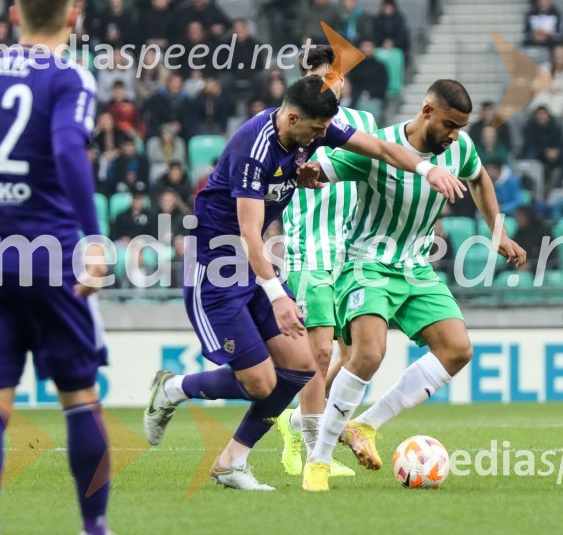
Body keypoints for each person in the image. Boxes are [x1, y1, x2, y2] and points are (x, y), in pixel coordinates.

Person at [142, 76, 465, 491]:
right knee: (260, 383)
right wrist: (278, 296)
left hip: (255, 268)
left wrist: (427, 168)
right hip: (216, 269)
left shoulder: (314, 125)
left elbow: (381, 148)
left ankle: (231, 463)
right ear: (293, 116)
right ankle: (171, 390)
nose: (319, 138)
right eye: (314, 131)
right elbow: (250, 234)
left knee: (298, 368)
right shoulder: (252, 149)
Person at [300, 79, 527, 491]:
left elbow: (479, 180)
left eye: (461, 127)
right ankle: (318, 460)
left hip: (416, 267)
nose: (455, 135)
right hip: (365, 263)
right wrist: (308, 171)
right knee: (369, 353)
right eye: (449, 124)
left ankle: (365, 425)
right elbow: (321, 172)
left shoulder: (459, 148)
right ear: (426, 112)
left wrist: (499, 233)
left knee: (458, 350)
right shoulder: (377, 148)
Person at [0, 0, 112, 534]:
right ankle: (94, 527)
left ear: (13, 15)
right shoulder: (69, 76)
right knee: (79, 396)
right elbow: (67, 147)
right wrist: (93, 238)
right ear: (73, 15)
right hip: (45, 255)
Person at [275, 45, 376, 479]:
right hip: (307, 247)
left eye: (336, 76)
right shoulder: (294, 122)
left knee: (357, 355)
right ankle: (317, 449)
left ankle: (298, 421)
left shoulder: (366, 123)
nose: (332, 82)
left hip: (352, 250)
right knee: (317, 352)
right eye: (322, 76)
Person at [522, 106, 563, 191]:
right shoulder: (529, 128)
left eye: (544, 114)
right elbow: (530, 145)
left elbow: (561, 143)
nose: (542, 116)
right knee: (530, 155)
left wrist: (556, 151)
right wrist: (545, 151)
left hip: (553, 154)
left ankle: (559, 182)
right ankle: (531, 184)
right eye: (539, 114)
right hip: (538, 154)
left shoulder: (555, 127)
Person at [529, 44, 563, 119]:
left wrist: (560, 89)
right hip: (547, 93)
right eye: (556, 54)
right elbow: (536, 84)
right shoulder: (545, 67)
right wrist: (549, 88)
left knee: (557, 103)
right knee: (539, 100)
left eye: (561, 55)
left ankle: (553, 122)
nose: (558, 57)